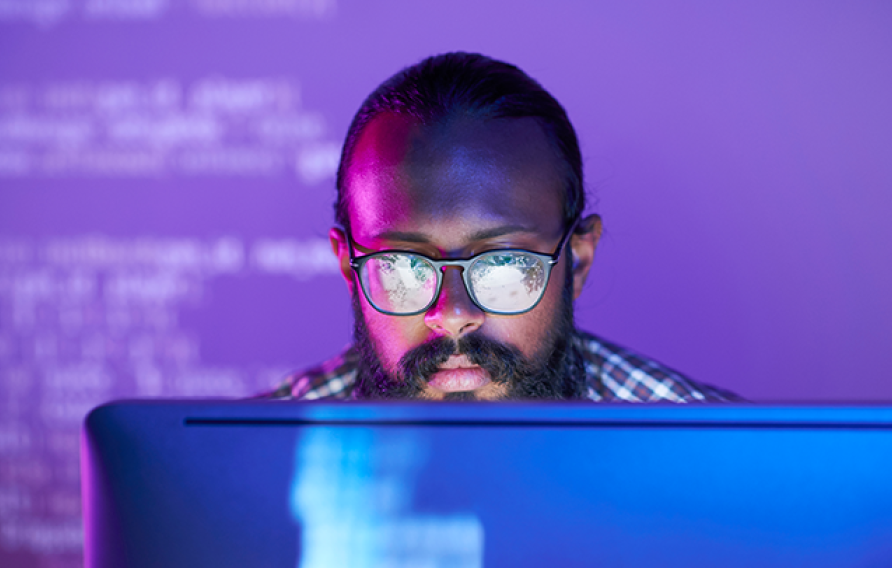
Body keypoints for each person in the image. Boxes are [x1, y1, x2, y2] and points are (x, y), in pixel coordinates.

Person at [266, 52, 739, 402]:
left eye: (504, 265)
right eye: (404, 268)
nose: (452, 315)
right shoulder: (246, 459)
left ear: (577, 260)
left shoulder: (722, 461)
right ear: (349, 266)